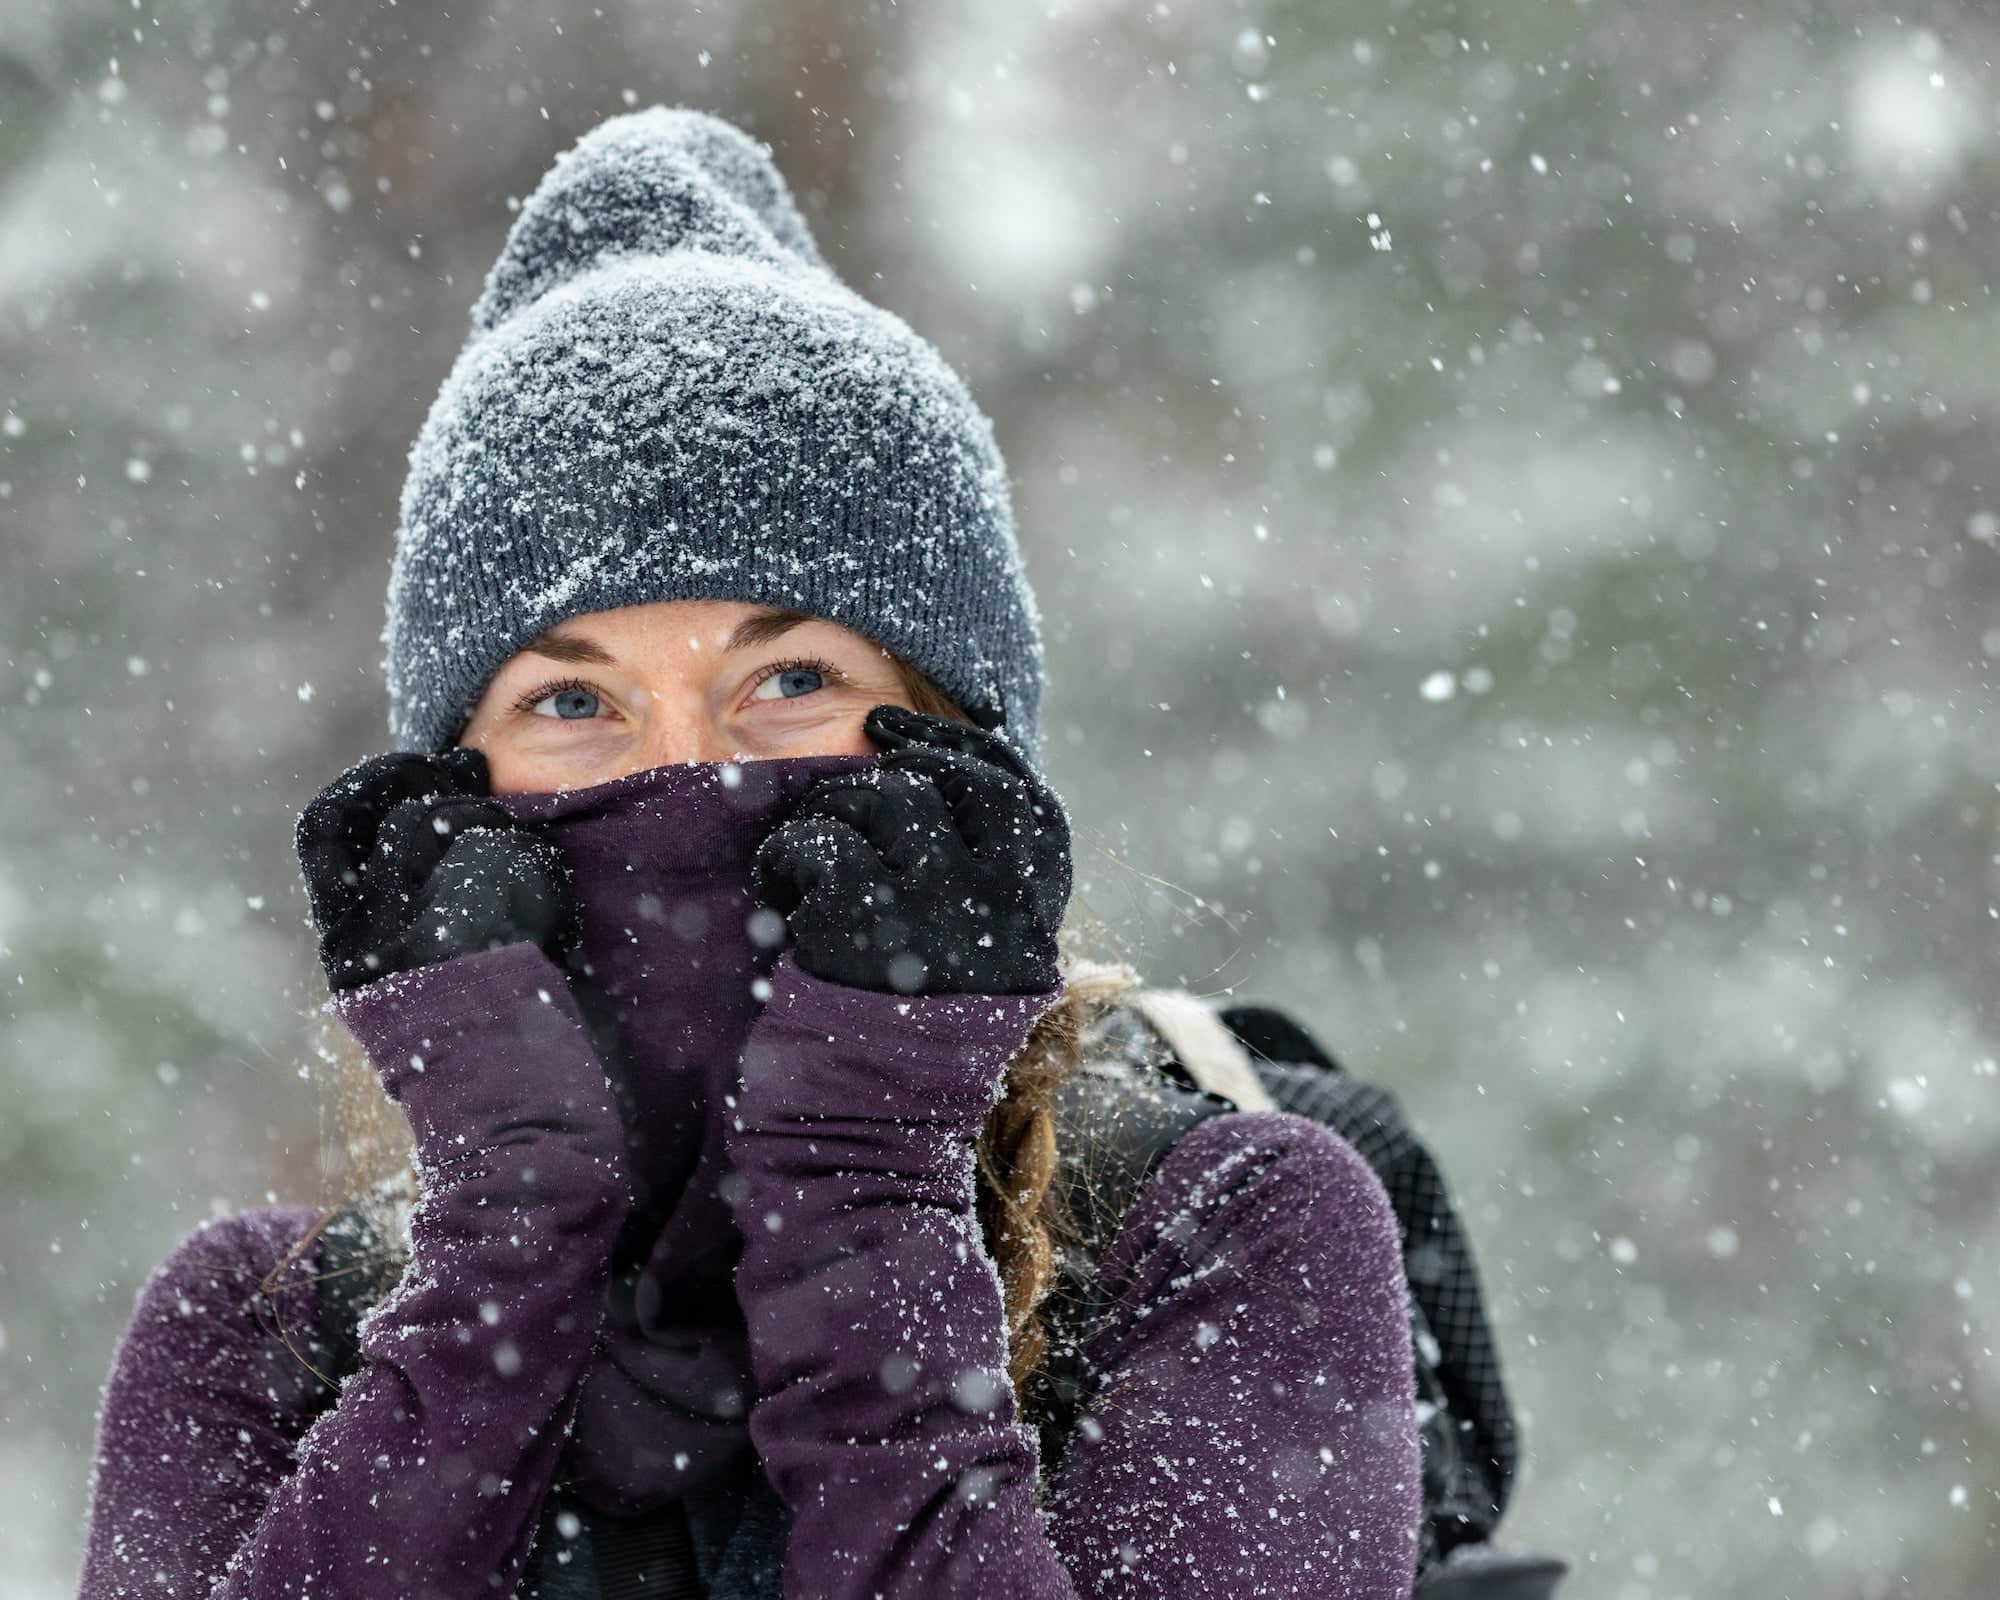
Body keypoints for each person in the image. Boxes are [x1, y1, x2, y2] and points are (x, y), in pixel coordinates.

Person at [76, 106, 1423, 1599]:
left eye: (789, 682)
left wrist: (865, 1192)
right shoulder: (256, 1336)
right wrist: (505, 1246)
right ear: (451, 796)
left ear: (958, 747)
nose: (683, 775)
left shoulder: (1224, 1240)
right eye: (572, 703)